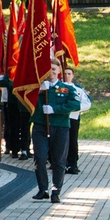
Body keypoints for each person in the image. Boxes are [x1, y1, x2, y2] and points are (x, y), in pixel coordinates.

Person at [29, 69, 87, 201]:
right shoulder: (36, 88)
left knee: (59, 159)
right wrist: (39, 91)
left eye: (54, 69)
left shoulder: (66, 89)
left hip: (60, 127)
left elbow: (75, 104)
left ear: (58, 71)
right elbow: (23, 99)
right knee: (40, 157)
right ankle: (43, 189)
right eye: (48, 69)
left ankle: (56, 190)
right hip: (40, 126)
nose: (51, 72)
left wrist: (55, 110)